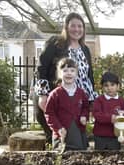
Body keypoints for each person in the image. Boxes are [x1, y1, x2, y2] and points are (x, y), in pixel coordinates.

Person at [35, 12, 97, 143]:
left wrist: (91, 102)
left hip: (77, 102)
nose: (76, 29)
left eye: (80, 26)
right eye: (73, 26)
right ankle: (54, 161)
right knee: (56, 136)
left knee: (76, 138)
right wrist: (42, 94)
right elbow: (41, 68)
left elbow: (88, 77)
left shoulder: (85, 49)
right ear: (66, 27)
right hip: (57, 99)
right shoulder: (55, 43)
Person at [45, 58, 90, 150]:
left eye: (72, 70)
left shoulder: (81, 93)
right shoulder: (55, 94)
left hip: (78, 133)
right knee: (62, 158)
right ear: (59, 74)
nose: (69, 73)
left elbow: (85, 107)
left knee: (79, 157)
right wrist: (58, 128)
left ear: (76, 74)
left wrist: (84, 116)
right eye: (65, 70)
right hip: (62, 134)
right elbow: (49, 114)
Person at [92, 72, 124, 150]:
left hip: (115, 136)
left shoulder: (122, 102)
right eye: (106, 85)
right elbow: (97, 115)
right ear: (102, 87)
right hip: (100, 136)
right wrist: (110, 118)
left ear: (118, 86)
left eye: (112, 85)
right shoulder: (99, 100)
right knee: (99, 157)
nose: (109, 88)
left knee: (114, 157)